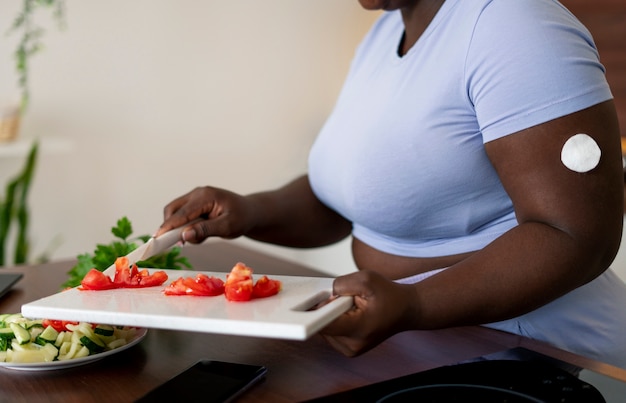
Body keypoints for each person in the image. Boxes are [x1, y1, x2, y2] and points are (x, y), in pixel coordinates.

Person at [157, 0, 626, 369]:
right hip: (428, 349)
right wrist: (249, 211)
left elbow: (577, 235)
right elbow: (352, 196)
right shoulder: (387, 32)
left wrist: (414, 302)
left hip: (541, 354)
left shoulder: (516, 25)